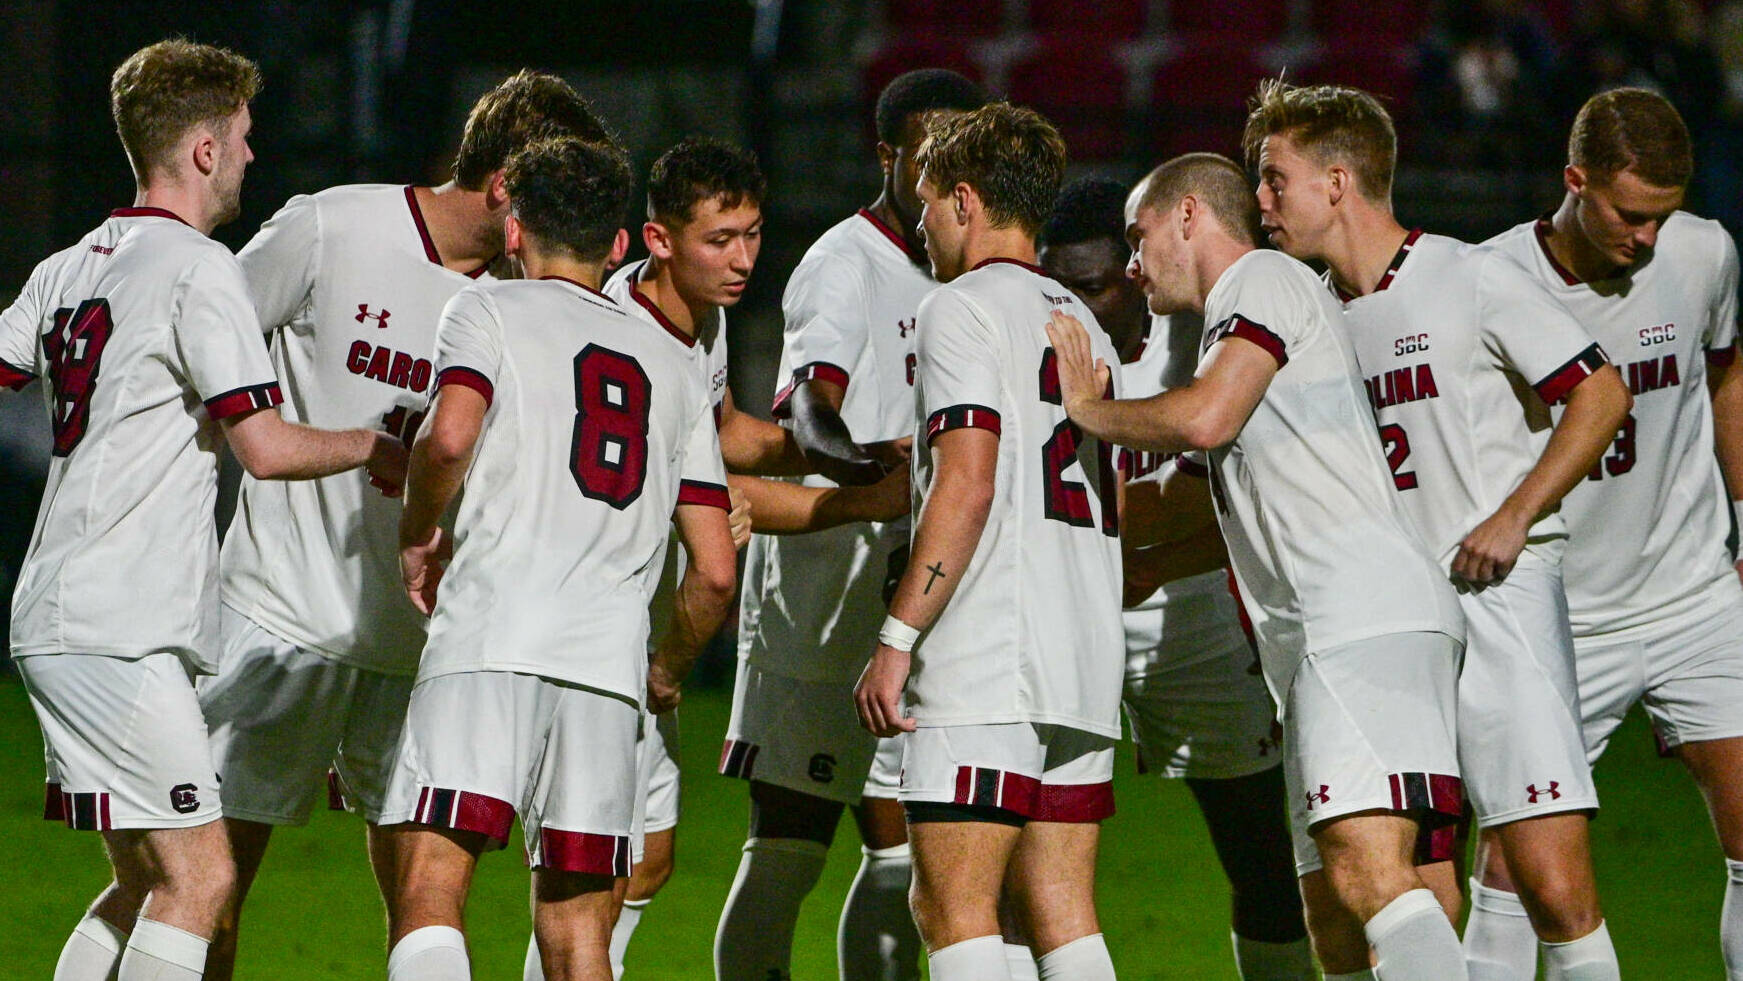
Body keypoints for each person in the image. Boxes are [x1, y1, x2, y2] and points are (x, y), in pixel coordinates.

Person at [0, 39, 404, 981]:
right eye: (246, 136)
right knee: (202, 880)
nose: (255, 157)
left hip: (64, 612)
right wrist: (374, 445)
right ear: (206, 149)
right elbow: (262, 447)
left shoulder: (71, 264)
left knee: (148, 883)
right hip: (117, 621)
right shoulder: (198, 267)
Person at [197, 69, 610, 979]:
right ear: (505, 188)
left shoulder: (522, 302)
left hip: (427, 651)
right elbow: (200, 339)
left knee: (426, 910)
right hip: (281, 619)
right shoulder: (332, 226)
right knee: (207, 900)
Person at [1043, 152, 1470, 981]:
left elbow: (1201, 421)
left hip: (1356, 621)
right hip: (1332, 634)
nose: (1133, 264)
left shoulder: (1261, 280)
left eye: (1138, 237)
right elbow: (1197, 498)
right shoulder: (1235, 332)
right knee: (1332, 911)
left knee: (1368, 872)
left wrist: (1086, 408)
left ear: (1190, 216)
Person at [1244, 80, 1633, 980]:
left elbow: (1599, 390)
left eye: (1275, 179)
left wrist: (1513, 512)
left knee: (1552, 884)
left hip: (1496, 598)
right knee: (1406, 885)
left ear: (1337, 181)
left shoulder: (1467, 275)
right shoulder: (1306, 318)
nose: (1260, 200)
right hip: (1391, 625)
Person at [379, 135, 739, 981]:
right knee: (579, 932)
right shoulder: (676, 366)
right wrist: (664, 666)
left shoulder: (487, 310)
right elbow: (715, 570)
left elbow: (448, 440)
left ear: (514, 232)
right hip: (606, 671)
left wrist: (418, 530)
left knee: (432, 885)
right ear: (619, 245)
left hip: (491, 639)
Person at [596, 136, 909, 981]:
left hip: (637, 618)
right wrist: (865, 495)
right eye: (718, 240)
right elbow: (715, 496)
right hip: (602, 625)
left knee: (639, 862)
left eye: (752, 234)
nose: (742, 260)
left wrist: (868, 453)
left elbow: (728, 433)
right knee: (590, 868)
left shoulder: (702, 317)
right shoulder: (633, 339)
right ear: (657, 238)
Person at [716, 67, 984, 981]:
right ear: (887, 156)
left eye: (960, 160)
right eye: (926, 157)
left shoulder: (966, 267)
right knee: (788, 841)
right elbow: (804, 412)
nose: (943, 178)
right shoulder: (844, 260)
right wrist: (875, 468)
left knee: (905, 847)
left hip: (905, 601)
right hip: (816, 597)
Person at [854, 102, 1125, 981]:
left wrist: (896, 639)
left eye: (929, 204)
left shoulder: (959, 308)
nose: (923, 224)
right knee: (1061, 915)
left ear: (965, 201)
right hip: (1081, 650)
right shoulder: (1081, 322)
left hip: (987, 652)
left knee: (954, 907)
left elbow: (967, 482)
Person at [1483, 87, 1743, 980]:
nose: (1647, 239)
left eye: (1662, 218)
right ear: (1573, 181)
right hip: (1559, 620)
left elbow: (1724, 373)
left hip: (1692, 593)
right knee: (1516, 871)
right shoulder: (1487, 283)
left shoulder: (1704, 253)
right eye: (1630, 216)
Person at [1037, 175, 1315, 981]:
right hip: (1072, 622)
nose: (1078, 309)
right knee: (1027, 861)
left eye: (1093, 286)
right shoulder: (1035, 333)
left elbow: (1200, 493)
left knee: (1265, 863)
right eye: (1064, 288)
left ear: (1132, 266)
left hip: (1195, 625)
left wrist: (1127, 542)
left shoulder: (1204, 333)